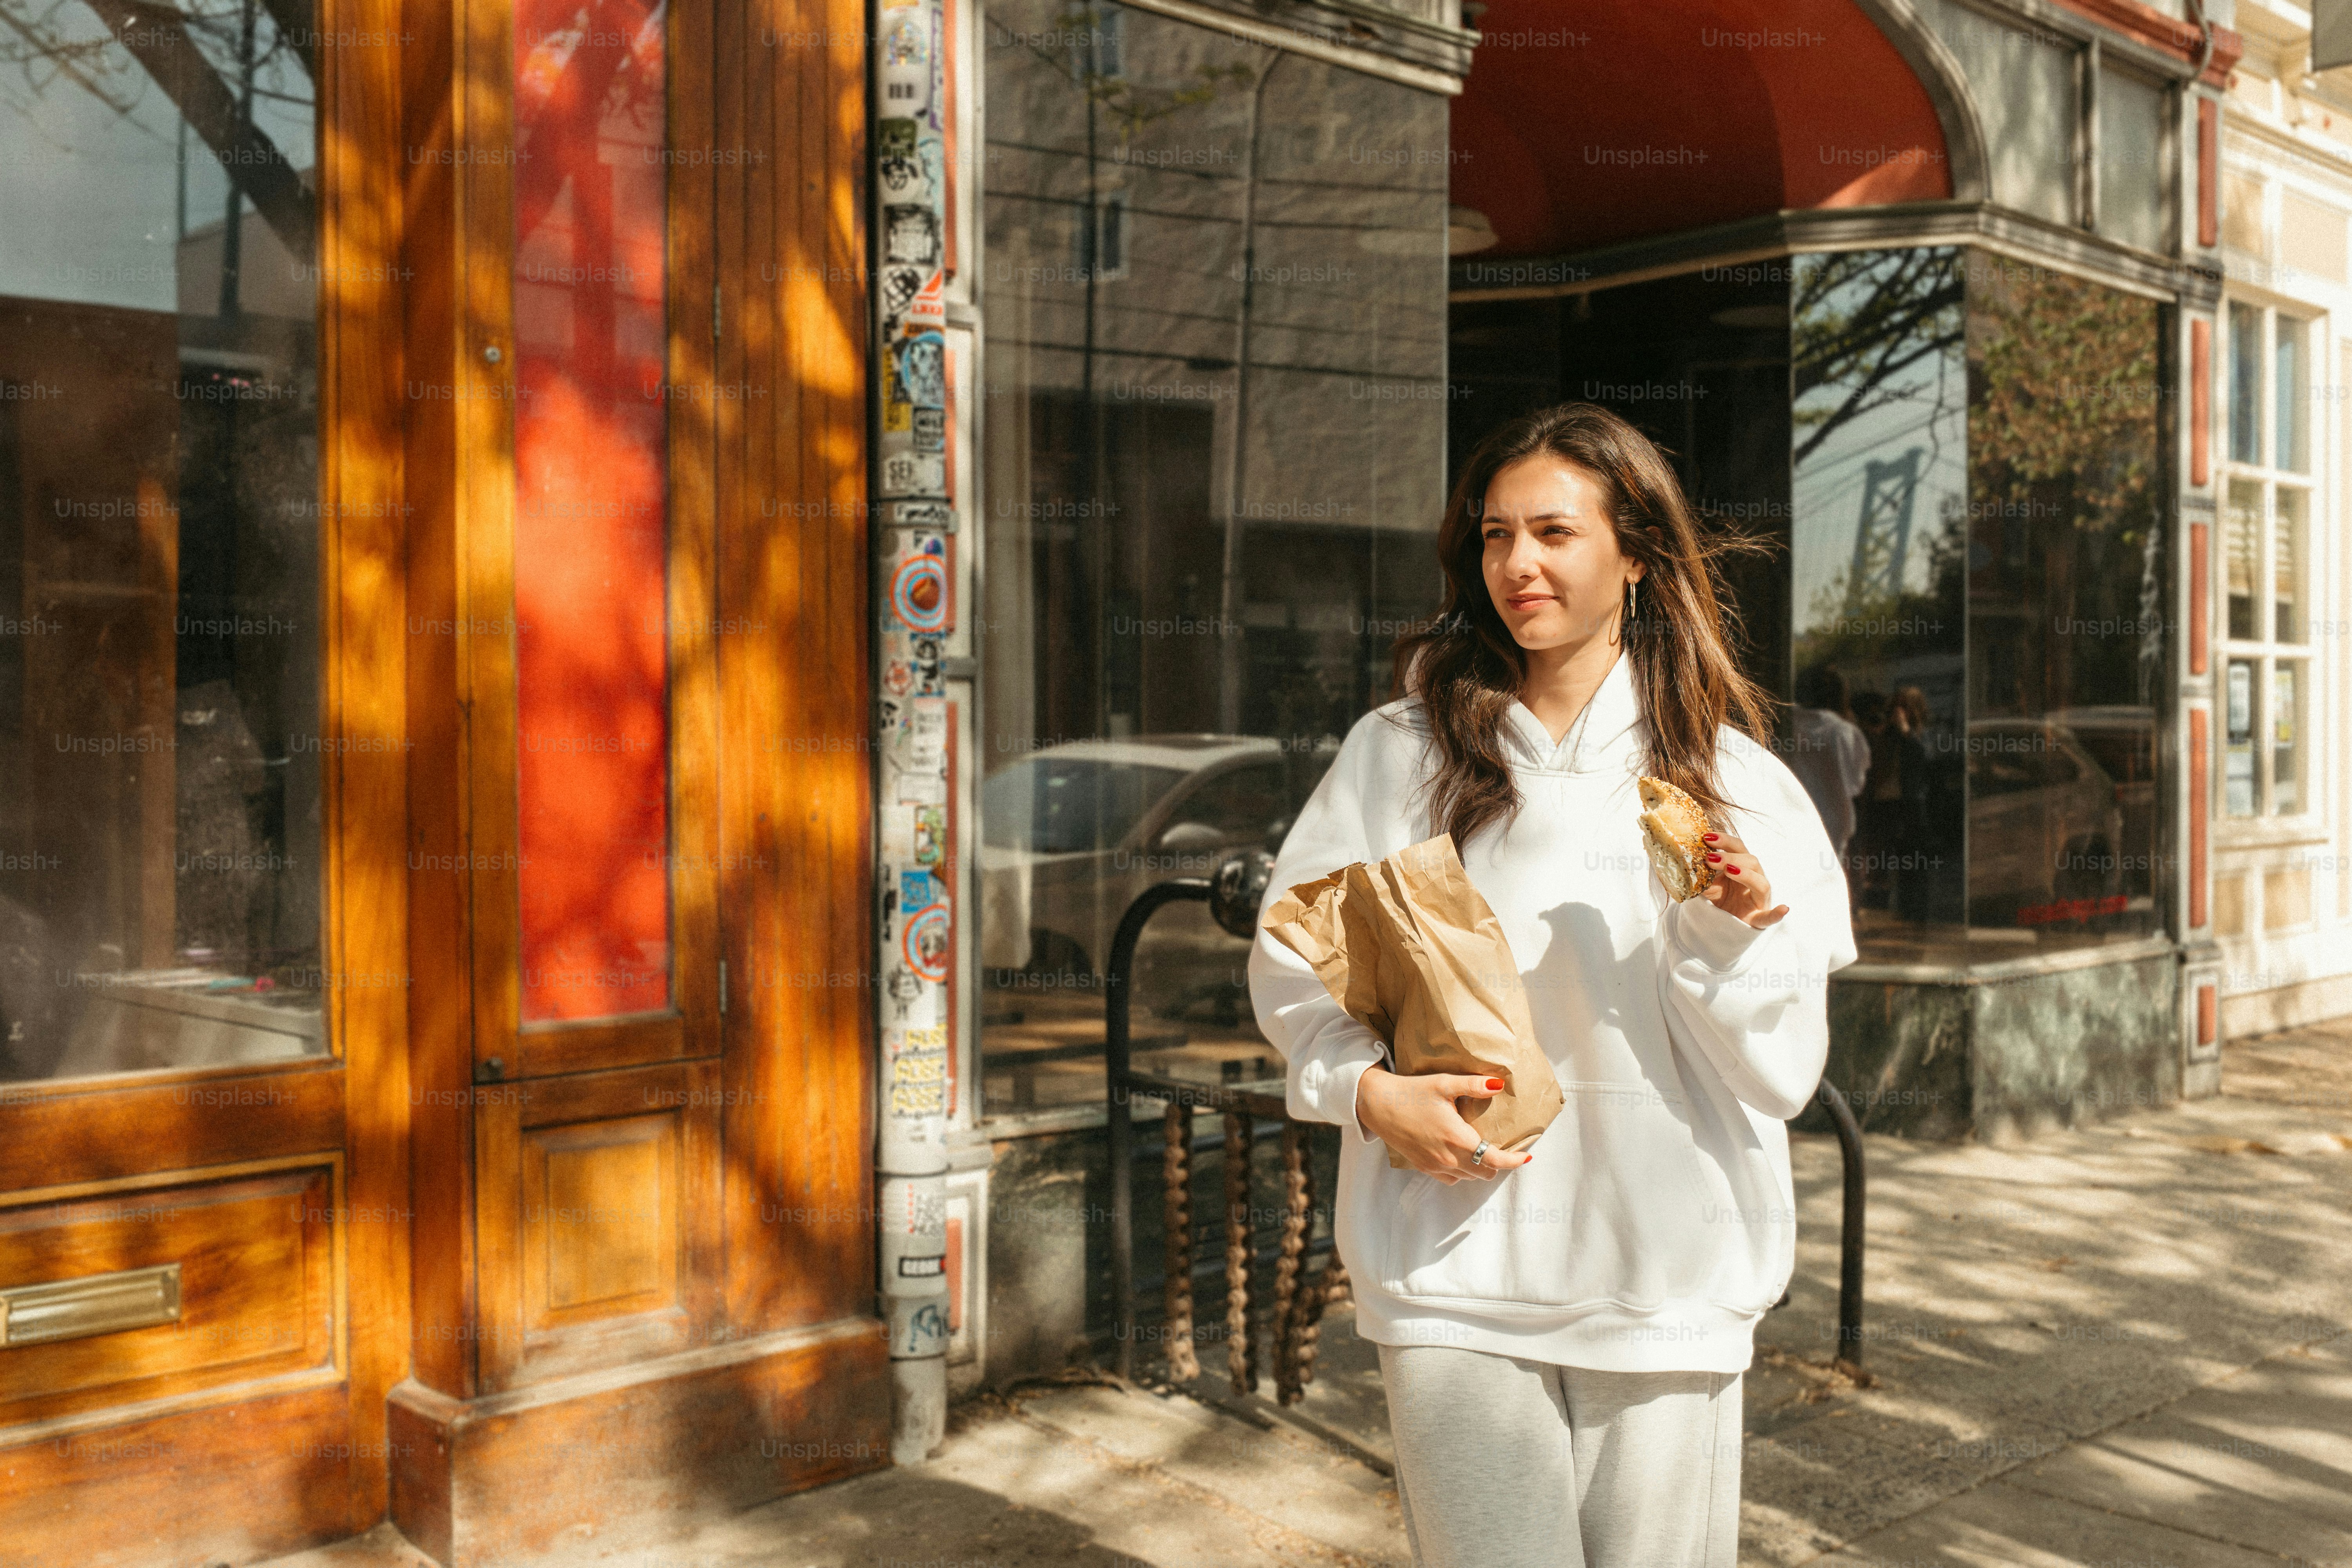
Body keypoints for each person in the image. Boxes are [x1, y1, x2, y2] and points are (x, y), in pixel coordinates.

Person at [1248, 404, 1856, 1568]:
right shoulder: (1399, 753)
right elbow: (1295, 965)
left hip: (1666, 1279)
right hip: (1450, 1269)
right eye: (1492, 536)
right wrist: (1365, 1095)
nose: (1516, 563)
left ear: (1634, 553)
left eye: (1552, 533)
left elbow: (1781, 1074)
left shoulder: (1734, 786)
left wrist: (1721, 934)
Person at [1788, 664, 1871, 862]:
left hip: (1792, 822)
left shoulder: (1786, 725)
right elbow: (1856, 784)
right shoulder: (1843, 731)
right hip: (1833, 828)